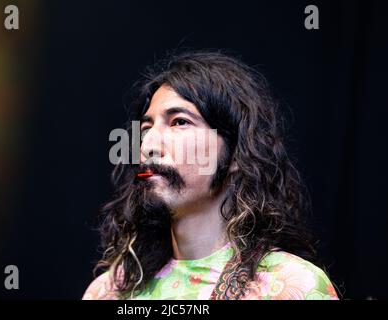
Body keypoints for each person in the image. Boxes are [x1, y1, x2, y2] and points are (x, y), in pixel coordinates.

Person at [83, 50, 339, 300]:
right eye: (146, 127)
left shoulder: (289, 286)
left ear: (236, 154)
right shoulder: (110, 291)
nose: (147, 145)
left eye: (179, 122)